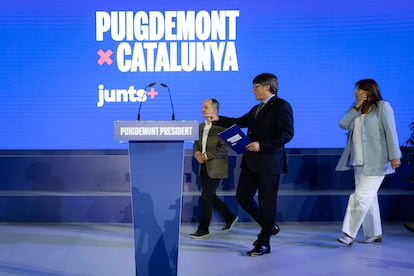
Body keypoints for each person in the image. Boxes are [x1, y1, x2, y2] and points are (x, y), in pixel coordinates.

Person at [207, 73, 294, 256]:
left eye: (256, 86)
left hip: (269, 163)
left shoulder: (282, 106)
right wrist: (218, 119)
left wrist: (262, 145)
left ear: (267, 87)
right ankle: (269, 226)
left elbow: (287, 134)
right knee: (242, 197)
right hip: (251, 162)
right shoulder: (257, 108)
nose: (253, 90)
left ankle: (264, 242)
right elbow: (240, 121)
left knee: (266, 204)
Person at [336, 78, 401, 246]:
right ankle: (374, 234)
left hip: (378, 161)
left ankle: (349, 234)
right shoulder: (356, 108)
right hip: (359, 161)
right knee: (369, 199)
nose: (355, 92)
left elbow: (391, 132)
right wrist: (356, 106)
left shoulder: (382, 107)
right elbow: (343, 124)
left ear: (368, 91)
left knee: (360, 197)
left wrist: (395, 155)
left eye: (358, 89)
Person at [190, 98, 238, 239]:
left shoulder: (222, 128)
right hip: (203, 166)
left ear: (215, 110)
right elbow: (196, 144)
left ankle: (203, 229)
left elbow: (225, 148)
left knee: (206, 196)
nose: (202, 109)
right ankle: (229, 217)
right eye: (202, 107)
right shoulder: (200, 127)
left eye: (206, 107)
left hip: (216, 167)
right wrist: (197, 153)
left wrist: (207, 155)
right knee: (210, 195)